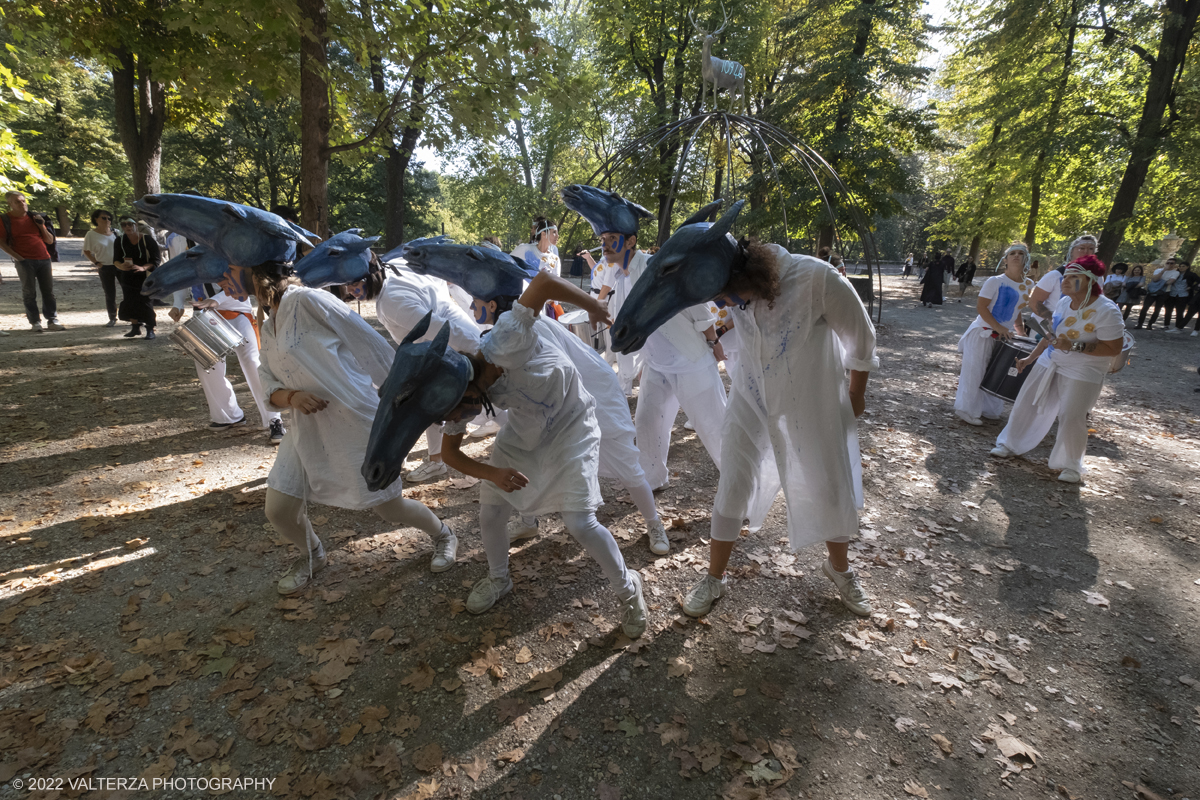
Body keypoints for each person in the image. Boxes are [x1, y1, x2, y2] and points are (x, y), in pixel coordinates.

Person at [437, 271, 648, 638]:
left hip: (573, 426)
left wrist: (594, 305)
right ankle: (499, 579)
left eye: (462, 410)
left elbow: (543, 283)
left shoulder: (505, 339)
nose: (461, 419)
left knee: (581, 522)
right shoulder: (453, 397)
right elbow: (450, 454)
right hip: (522, 434)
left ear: (471, 384)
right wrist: (492, 474)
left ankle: (628, 589)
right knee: (490, 513)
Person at [678, 239, 878, 619]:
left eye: (728, 294)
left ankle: (839, 570)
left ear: (749, 274)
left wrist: (856, 393)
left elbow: (861, 336)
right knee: (733, 481)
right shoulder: (739, 292)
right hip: (750, 399)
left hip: (810, 400)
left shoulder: (816, 279)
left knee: (827, 484)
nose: (726, 303)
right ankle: (713, 578)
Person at [240, 262, 457, 594]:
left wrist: (405, 400)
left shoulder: (308, 300)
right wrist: (292, 396)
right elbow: (268, 379)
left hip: (354, 419)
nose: (223, 279)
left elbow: (368, 342)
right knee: (279, 509)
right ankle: (312, 553)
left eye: (228, 269)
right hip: (305, 427)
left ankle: (443, 534)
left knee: (389, 507)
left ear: (256, 271)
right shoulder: (267, 323)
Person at [991, 256, 1124, 483]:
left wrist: (1074, 346)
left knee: (1071, 416)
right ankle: (1009, 444)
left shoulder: (1107, 310)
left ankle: (1071, 465)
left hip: (1084, 370)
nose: (1066, 280)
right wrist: (1030, 358)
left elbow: (1114, 348)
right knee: (1027, 402)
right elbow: (1051, 335)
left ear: (1091, 281)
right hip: (1050, 361)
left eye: (1075, 277)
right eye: (1067, 275)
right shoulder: (1064, 302)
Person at [374, 256, 485, 483]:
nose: (352, 291)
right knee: (429, 399)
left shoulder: (395, 295)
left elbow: (443, 329)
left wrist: (483, 357)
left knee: (483, 394)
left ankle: (435, 460)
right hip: (436, 342)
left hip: (444, 339)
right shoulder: (398, 275)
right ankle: (432, 459)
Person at [169, 253, 284, 442]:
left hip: (236, 309)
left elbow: (242, 279)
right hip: (205, 311)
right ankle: (228, 416)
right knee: (206, 365)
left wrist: (218, 300)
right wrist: (178, 303)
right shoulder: (182, 241)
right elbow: (182, 275)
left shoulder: (224, 242)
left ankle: (274, 419)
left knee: (253, 362)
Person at [634, 299, 727, 493]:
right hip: (656, 361)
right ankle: (653, 478)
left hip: (691, 359)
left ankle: (743, 490)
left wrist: (714, 341)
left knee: (714, 425)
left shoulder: (667, 270)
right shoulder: (622, 278)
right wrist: (644, 357)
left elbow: (699, 308)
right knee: (647, 421)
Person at [953, 243, 1034, 426]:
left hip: (1004, 336)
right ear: (1005, 260)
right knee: (975, 372)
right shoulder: (995, 281)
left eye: (1020, 253)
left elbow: (1017, 310)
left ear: (1026, 259)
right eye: (1011, 253)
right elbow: (981, 308)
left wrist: (1021, 333)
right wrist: (998, 327)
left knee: (996, 371)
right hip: (982, 332)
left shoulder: (1029, 284)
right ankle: (966, 409)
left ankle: (988, 409)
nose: (1016, 256)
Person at [580, 229, 648, 396]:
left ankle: (621, 382)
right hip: (601, 300)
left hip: (670, 359)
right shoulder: (615, 268)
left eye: (612, 238)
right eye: (603, 238)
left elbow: (606, 285)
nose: (605, 244)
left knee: (614, 345)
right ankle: (623, 383)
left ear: (630, 241)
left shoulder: (646, 267)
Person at [1, 191, 63, 332]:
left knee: (48, 291)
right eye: (17, 201)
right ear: (10, 204)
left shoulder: (35, 217)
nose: (22, 204)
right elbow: (2, 242)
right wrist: (18, 257)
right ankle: (35, 322)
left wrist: (41, 225)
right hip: (24, 261)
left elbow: (49, 240)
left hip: (44, 258)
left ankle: (52, 320)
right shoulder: (5, 219)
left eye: (23, 200)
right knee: (29, 292)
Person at [1029, 234, 1097, 331]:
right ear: (1071, 251)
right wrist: (1052, 320)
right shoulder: (1056, 275)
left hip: (1075, 331)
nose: (1086, 251)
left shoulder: (1097, 278)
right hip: (1045, 330)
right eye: (1081, 248)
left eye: (1091, 248)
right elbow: (1034, 302)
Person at [113, 216, 161, 340]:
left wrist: (143, 268)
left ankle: (150, 329)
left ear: (136, 225)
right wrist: (121, 267)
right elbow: (116, 260)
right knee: (130, 301)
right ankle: (135, 328)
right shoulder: (119, 240)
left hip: (145, 276)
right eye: (124, 225)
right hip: (127, 276)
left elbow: (156, 259)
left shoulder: (147, 239)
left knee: (146, 302)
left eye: (130, 224)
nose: (127, 227)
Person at [83, 209, 119, 328]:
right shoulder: (91, 234)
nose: (107, 220)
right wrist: (96, 263)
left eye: (109, 218)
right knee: (110, 293)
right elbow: (87, 251)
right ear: (96, 219)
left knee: (128, 290)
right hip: (105, 267)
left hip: (120, 265)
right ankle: (112, 317)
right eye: (104, 218)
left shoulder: (116, 232)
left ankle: (132, 316)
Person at [1135, 258, 1178, 330]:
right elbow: (1155, 279)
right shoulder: (1158, 270)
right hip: (1152, 291)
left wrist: (1159, 283)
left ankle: (1150, 324)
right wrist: (1164, 271)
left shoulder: (1176, 273)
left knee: (1157, 309)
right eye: (1168, 263)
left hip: (1164, 293)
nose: (1169, 264)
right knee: (1145, 308)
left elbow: (1170, 282)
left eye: (1172, 263)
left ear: (1175, 265)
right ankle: (1140, 324)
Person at [1166, 260, 1196, 333]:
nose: (1181, 268)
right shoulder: (1176, 273)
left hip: (1183, 294)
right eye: (1180, 266)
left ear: (1187, 267)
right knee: (1168, 310)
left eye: (1183, 266)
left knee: (1179, 311)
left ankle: (1178, 327)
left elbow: (1198, 281)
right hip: (1172, 293)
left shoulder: (1191, 274)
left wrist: (1191, 287)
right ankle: (1166, 325)